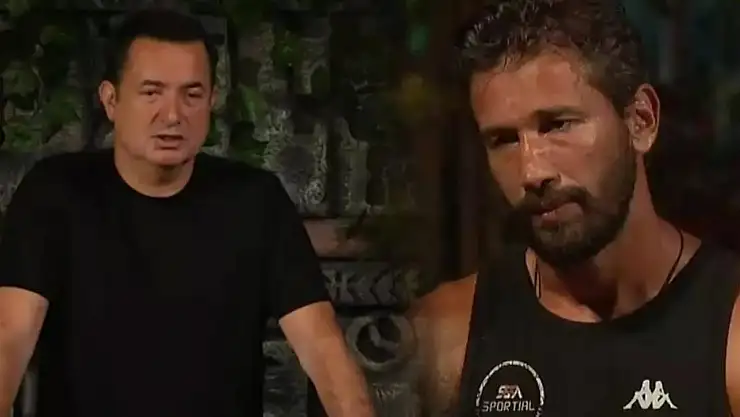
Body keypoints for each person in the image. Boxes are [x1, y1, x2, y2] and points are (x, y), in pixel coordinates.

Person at [0, 8, 375, 417]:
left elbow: (323, 347)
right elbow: (9, 337)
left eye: (192, 95)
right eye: (151, 93)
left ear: (212, 100)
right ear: (111, 100)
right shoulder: (55, 194)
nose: (173, 115)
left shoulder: (255, 201)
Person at [410, 1, 740, 416]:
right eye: (504, 140)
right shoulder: (446, 335)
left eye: (558, 125)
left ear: (640, 121)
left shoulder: (730, 333)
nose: (532, 172)